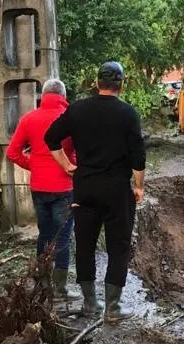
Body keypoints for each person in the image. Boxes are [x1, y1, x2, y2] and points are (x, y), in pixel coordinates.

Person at [44, 61, 146, 322]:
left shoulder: (78, 110)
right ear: (121, 84)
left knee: (85, 245)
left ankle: (90, 304)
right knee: (118, 246)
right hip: (116, 190)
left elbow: (51, 138)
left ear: (97, 83)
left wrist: (67, 165)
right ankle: (113, 308)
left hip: (85, 187)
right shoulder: (128, 114)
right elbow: (138, 157)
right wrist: (138, 187)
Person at [6, 79, 78, 300]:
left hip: (39, 187)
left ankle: (43, 283)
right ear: (63, 96)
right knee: (63, 237)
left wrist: (34, 164)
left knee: (44, 234)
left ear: (43, 95)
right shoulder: (70, 119)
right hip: (64, 186)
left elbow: (12, 152)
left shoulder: (29, 119)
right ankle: (61, 289)